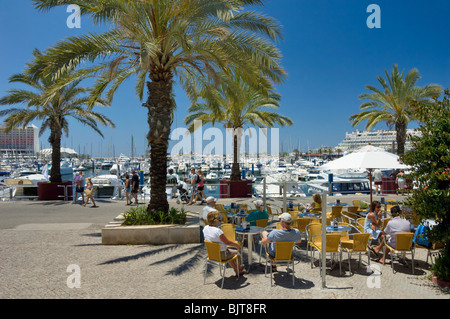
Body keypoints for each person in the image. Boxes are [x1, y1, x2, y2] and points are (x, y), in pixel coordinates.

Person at [203, 211, 245, 276]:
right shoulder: (218, 231)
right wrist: (237, 245)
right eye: (219, 218)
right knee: (237, 253)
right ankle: (238, 268)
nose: (219, 220)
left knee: (229, 253)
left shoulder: (205, 228)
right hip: (222, 255)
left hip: (212, 254)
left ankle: (237, 270)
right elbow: (227, 242)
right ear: (216, 220)